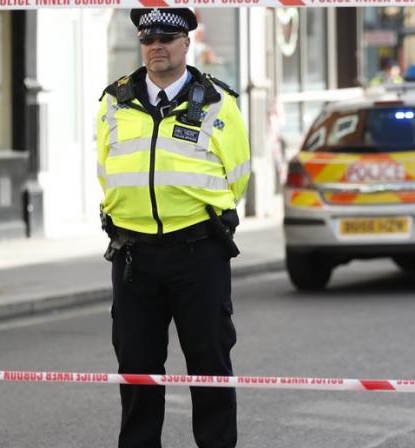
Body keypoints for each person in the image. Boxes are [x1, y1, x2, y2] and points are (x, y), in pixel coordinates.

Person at [95, 8, 250, 448]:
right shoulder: (115, 100)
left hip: (197, 252)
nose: (155, 46)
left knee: (210, 366)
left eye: (166, 37)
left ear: (186, 44)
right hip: (133, 256)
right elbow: (106, 168)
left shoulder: (217, 101)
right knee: (137, 367)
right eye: (148, 39)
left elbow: (237, 174)